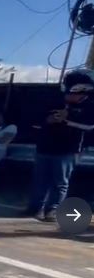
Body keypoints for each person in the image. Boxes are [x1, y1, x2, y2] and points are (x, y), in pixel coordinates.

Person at [27, 69, 94, 222]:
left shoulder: (89, 106)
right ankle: (35, 208)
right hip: (45, 147)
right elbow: (36, 120)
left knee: (60, 182)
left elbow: (89, 126)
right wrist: (48, 120)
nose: (70, 95)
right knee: (40, 180)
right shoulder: (56, 100)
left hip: (67, 150)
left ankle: (53, 210)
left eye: (75, 92)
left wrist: (67, 119)